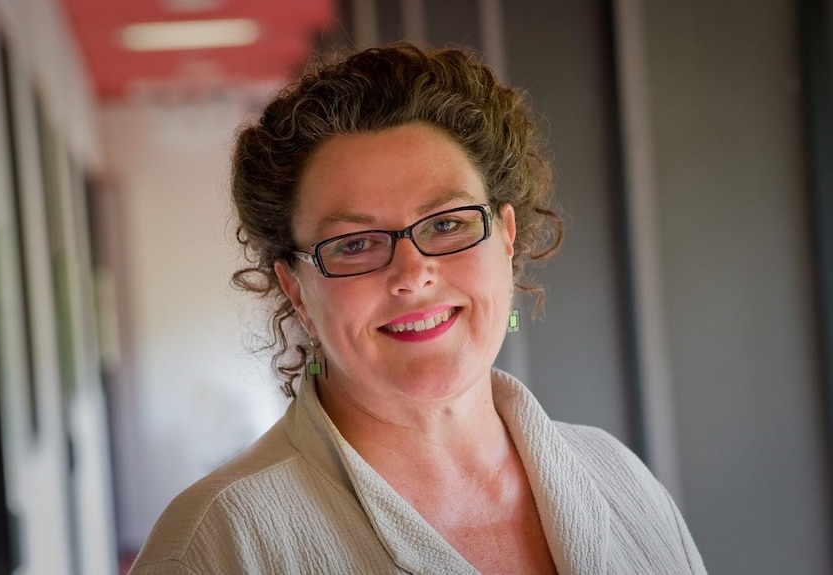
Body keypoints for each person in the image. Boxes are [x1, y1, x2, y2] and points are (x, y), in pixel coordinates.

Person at [129, 42, 706, 575]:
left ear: (506, 239)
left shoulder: (615, 475)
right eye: (355, 244)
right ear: (298, 291)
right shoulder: (217, 542)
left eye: (449, 224)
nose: (412, 275)